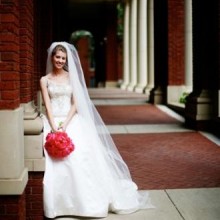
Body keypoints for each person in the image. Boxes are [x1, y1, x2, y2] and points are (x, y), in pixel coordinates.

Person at [40, 41, 154, 219]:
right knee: (55, 163)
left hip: (71, 121)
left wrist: (65, 125)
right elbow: (47, 104)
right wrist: (54, 127)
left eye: (63, 58)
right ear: (52, 57)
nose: (60, 60)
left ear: (66, 59)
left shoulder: (72, 78)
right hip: (52, 121)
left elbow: (76, 103)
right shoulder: (44, 80)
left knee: (80, 159)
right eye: (58, 57)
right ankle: (60, 205)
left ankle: (86, 203)